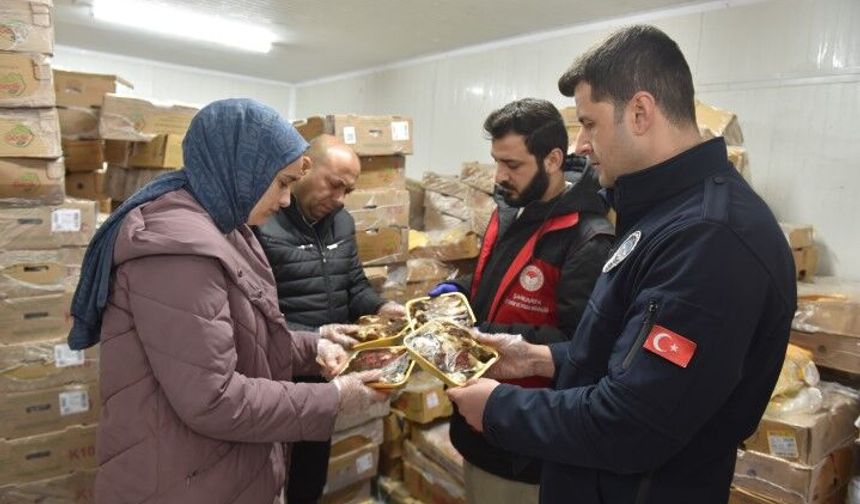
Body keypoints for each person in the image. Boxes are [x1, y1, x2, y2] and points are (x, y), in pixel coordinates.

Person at [447, 25, 796, 504]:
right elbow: (624, 354)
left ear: (640, 112)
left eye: (589, 124)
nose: (581, 146)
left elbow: (633, 422)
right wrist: (539, 358)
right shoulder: (662, 215)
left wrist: (498, 409)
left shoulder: (711, 239)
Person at [67, 99, 386, 503]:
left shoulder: (226, 225)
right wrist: (335, 399)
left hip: (214, 466)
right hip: (181, 478)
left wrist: (313, 345)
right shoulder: (179, 253)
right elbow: (215, 398)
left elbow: (238, 335)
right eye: (283, 183)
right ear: (242, 170)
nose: (287, 200)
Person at [429, 98, 614, 504]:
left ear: (552, 160)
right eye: (496, 161)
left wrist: (478, 332)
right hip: (477, 423)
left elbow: (581, 349)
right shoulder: (510, 211)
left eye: (512, 165)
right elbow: (492, 283)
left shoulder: (587, 239)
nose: (499, 176)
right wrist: (456, 292)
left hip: (523, 448)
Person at [254, 134, 405, 504]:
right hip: (275, 375)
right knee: (264, 478)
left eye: (347, 191)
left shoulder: (341, 221)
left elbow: (354, 286)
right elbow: (252, 315)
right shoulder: (262, 222)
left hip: (326, 374)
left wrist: (382, 307)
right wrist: (312, 337)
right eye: (334, 185)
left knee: (308, 478)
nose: (338, 199)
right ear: (304, 167)